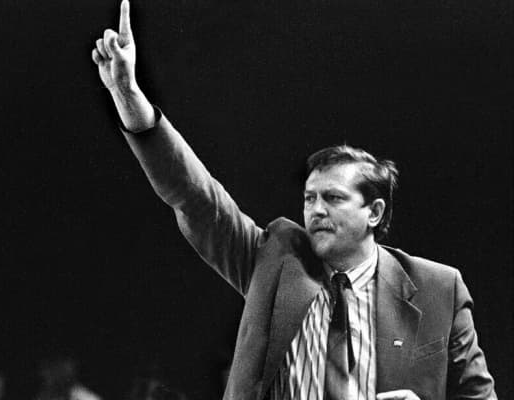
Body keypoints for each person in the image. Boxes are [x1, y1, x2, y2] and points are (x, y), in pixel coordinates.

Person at [91, 1, 497, 399]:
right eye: (309, 198)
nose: (316, 210)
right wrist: (128, 94)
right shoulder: (275, 258)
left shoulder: (439, 289)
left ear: (374, 212)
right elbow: (197, 198)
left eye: (333, 198)